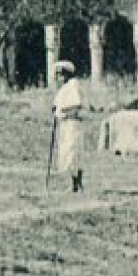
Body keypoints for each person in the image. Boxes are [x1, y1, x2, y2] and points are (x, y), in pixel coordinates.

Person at [51, 60, 86, 192]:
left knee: (73, 153)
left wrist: (63, 113)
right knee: (68, 153)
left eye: (60, 75)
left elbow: (76, 106)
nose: (58, 78)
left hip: (72, 124)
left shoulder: (73, 86)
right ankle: (74, 183)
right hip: (65, 125)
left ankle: (75, 183)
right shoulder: (64, 88)